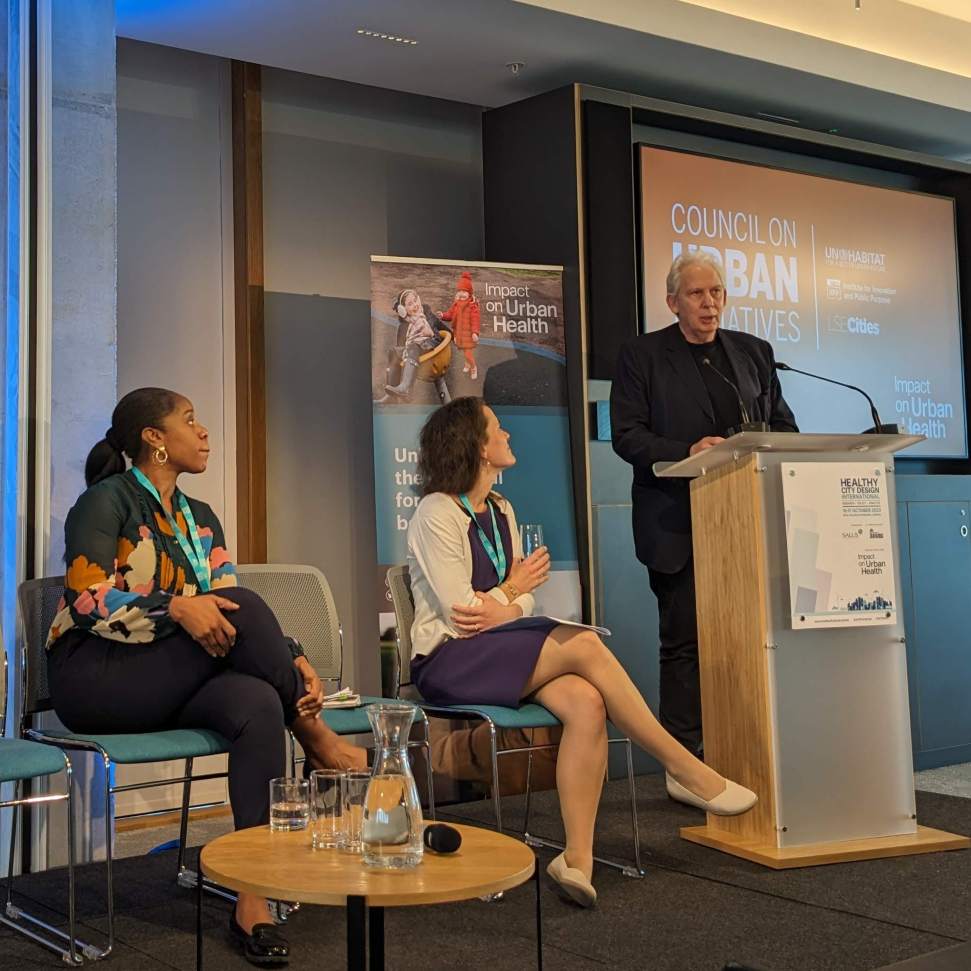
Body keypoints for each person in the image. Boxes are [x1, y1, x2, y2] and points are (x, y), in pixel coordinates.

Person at [46, 387, 366, 966]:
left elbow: (230, 614)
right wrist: (176, 607)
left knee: (257, 701)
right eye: (189, 420)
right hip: (96, 675)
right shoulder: (104, 502)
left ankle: (253, 894)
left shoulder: (200, 518)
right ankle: (317, 739)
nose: (204, 432)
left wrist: (291, 655)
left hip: (169, 676)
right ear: (154, 438)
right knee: (242, 607)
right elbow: (87, 599)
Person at [406, 396, 757, 908]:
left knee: (587, 702)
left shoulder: (501, 510)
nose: (507, 435)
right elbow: (463, 612)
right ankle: (683, 766)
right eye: (498, 429)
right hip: (449, 660)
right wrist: (512, 592)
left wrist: (508, 600)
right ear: (477, 446)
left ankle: (577, 861)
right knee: (586, 643)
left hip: (501, 650)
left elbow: (525, 601)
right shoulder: (436, 512)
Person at [609, 251, 797, 784]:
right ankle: (686, 766)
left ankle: (745, 754)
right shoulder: (642, 356)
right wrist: (687, 450)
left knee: (748, 642)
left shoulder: (754, 353)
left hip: (747, 521)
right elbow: (627, 435)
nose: (709, 303)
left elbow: (783, 426)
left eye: (716, 292)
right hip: (678, 522)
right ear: (673, 302)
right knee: (686, 644)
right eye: (697, 294)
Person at [385, 288, 446, 398]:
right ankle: (393, 394)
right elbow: (402, 347)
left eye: (415, 301)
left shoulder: (425, 313)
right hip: (415, 350)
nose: (414, 305)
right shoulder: (404, 325)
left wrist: (454, 336)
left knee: (413, 347)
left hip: (431, 347)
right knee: (394, 351)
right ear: (403, 310)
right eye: (410, 304)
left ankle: (406, 388)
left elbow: (439, 325)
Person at [440, 271, 481, 380]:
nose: (462, 294)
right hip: (459, 333)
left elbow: (475, 320)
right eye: (460, 291)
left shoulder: (472, 306)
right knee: (464, 351)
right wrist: (443, 315)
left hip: (469, 335)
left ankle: (473, 367)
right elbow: (450, 314)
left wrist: (475, 332)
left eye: (464, 291)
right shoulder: (456, 304)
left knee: (468, 353)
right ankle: (467, 364)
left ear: (470, 293)